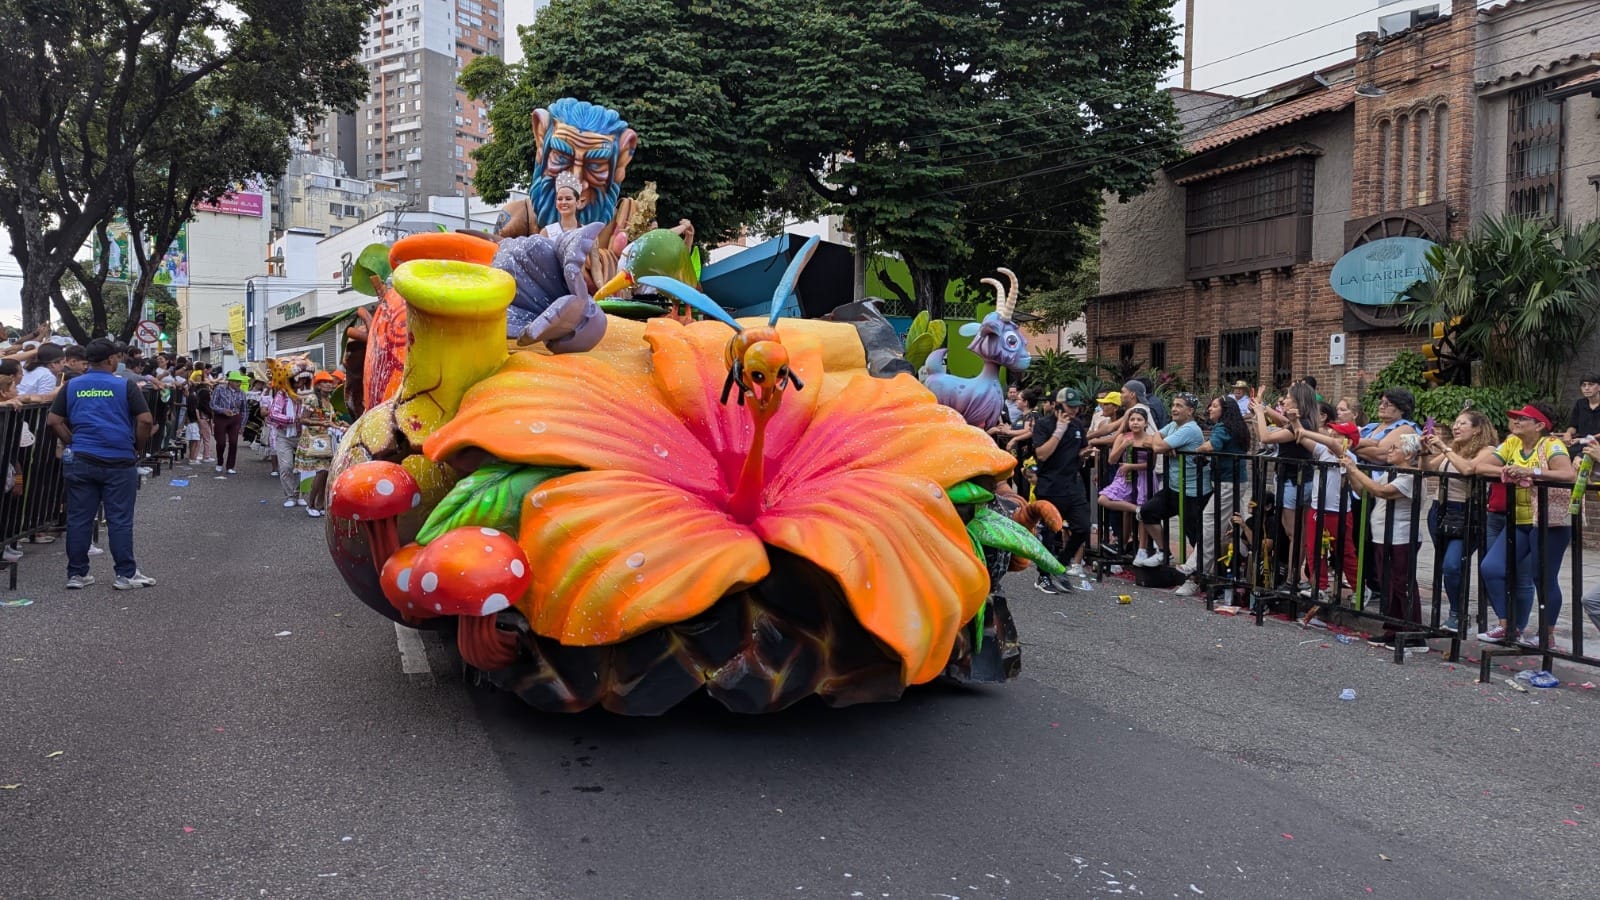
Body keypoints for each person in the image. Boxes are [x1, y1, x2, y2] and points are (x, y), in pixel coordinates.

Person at [45, 338, 155, 590]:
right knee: (119, 519)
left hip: (81, 459)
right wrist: (137, 446)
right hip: (119, 459)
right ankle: (126, 574)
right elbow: (146, 420)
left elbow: (53, 420)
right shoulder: (125, 385)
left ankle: (77, 574)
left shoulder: (72, 385)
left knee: (79, 518)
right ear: (111, 359)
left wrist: (72, 442)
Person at [1477, 403, 1573, 646]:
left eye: (1523, 419)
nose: (1516, 422)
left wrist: (1532, 471)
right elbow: (1481, 466)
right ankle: (1506, 626)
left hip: (1550, 521)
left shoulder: (1552, 444)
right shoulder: (1512, 442)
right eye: (1516, 418)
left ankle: (1547, 635)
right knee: (1491, 567)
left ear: (1540, 425)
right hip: (1519, 519)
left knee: (1543, 577)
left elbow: (1568, 474)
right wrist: (1507, 470)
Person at [1341, 434, 1427, 653]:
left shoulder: (1411, 476)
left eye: (1394, 448)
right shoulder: (1392, 473)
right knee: (1388, 584)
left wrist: (1355, 469)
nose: (1389, 450)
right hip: (1382, 536)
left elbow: (1382, 492)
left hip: (1401, 537)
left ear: (1408, 454)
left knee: (1402, 584)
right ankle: (1393, 628)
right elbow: (1365, 491)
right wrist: (1350, 473)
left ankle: (1413, 632)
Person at [1421, 410, 1499, 632]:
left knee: (1453, 564)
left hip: (1466, 513)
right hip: (1439, 510)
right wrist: (1424, 452)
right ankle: (1456, 612)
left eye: (1462, 423)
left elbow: (1468, 469)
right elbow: (1427, 470)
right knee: (1445, 566)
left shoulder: (1488, 451)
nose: (1456, 427)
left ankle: (1458, 613)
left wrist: (1444, 448)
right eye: (1455, 423)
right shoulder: (1454, 448)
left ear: (1477, 429)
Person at [1133, 392, 1211, 571]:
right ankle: (1164, 551)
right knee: (1147, 512)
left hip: (1193, 491)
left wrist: (1161, 445)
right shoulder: (1174, 425)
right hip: (1175, 487)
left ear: (1190, 411)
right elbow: (1149, 440)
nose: (1174, 409)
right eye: (1174, 405)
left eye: (1179, 406)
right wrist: (1162, 444)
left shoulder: (1190, 429)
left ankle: (1202, 571)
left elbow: (1157, 445)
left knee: (1194, 535)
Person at [1031, 388, 1092, 593]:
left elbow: (1080, 449)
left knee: (1083, 527)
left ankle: (1060, 565)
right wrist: (1059, 430)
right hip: (1050, 486)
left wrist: (1085, 454)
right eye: (1069, 406)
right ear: (1057, 405)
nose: (1074, 410)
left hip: (1073, 484)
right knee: (1049, 534)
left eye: (1076, 406)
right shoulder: (1044, 425)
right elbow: (1042, 454)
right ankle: (1043, 576)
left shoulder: (1077, 425)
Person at [1189, 393, 1251, 595]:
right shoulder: (1237, 427)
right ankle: (1238, 565)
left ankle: (1197, 568)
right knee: (1234, 525)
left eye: (1214, 406)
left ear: (1225, 410)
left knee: (1210, 521)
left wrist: (1198, 450)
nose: (1210, 409)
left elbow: (1212, 445)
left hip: (1227, 483)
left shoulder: (1222, 427)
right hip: (1236, 481)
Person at [295, 373, 339, 516]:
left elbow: (330, 420)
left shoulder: (328, 400)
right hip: (314, 441)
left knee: (326, 474)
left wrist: (338, 423)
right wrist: (320, 423)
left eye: (330, 382)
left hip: (327, 441)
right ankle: (311, 504)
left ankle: (320, 505)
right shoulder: (312, 399)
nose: (329, 385)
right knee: (321, 472)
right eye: (324, 382)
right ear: (318, 385)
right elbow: (302, 419)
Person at [269, 370, 309, 503]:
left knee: (303, 467)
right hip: (284, 435)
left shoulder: (308, 395)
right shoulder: (282, 394)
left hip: (303, 435)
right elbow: (273, 414)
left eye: (302, 379)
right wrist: (293, 419)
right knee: (286, 466)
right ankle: (290, 496)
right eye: (297, 379)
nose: (300, 382)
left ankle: (299, 494)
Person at [209, 371, 248, 475]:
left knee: (234, 442)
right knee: (221, 442)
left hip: (235, 418)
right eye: (236, 381)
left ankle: (230, 466)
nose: (239, 383)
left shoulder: (242, 393)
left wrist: (242, 425)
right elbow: (212, 404)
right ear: (230, 381)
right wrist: (223, 410)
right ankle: (220, 461)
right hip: (221, 418)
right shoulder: (219, 389)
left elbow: (244, 410)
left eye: (240, 381)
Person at [541, 174, 583, 239]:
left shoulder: (587, 232)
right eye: (560, 199)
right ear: (556, 204)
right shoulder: (546, 233)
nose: (563, 202)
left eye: (568, 199)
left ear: (578, 203)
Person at [1564, 374, 1600, 447]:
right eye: (1584, 385)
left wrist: (1583, 440)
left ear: (1599, 387)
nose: (1586, 388)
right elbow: (1573, 426)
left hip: (1597, 445)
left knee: (1580, 455)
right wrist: (1568, 433)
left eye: (1591, 384)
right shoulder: (1580, 404)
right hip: (1580, 443)